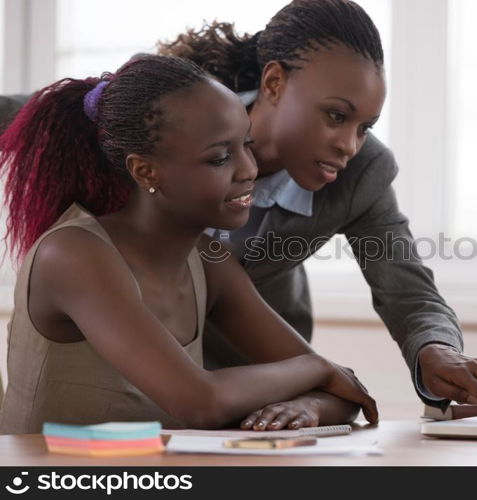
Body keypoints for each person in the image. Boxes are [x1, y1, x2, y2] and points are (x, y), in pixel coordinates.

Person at [157, 0, 477, 423]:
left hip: (262, 385)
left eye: (365, 127)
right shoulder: (170, 125)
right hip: (141, 366)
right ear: (274, 82)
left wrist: (435, 350)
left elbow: (407, 290)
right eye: (336, 115)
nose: (349, 144)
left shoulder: (363, 172)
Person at [0, 54, 377, 434]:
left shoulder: (209, 261)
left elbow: (345, 395)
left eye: (246, 145)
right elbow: (202, 403)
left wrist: (310, 402)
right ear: (145, 171)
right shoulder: (72, 254)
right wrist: (316, 369)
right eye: (220, 158)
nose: (248, 169)